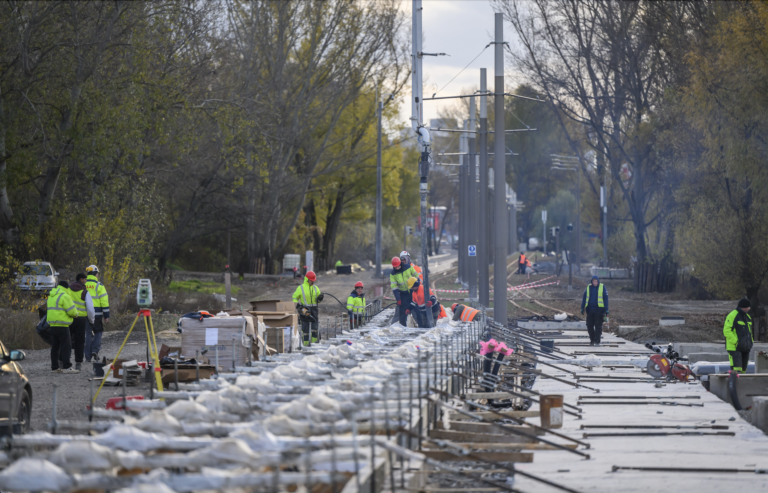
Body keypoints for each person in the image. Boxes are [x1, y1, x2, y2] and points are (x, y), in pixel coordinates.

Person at [47, 281, 79, 373]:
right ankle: (67, 366)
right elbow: (71, 311)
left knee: (55, 347)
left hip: (52, 325)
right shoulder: (65, 296)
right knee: (66, 346)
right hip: (63, 325)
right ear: (67, 288)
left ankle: (54, 367)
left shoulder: (51, 296)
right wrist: (76, 314)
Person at [68, 273, 95, 370]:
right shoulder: (84, 291)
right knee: (80, 341)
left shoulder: (68, 289)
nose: (86, 281)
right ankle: (78, 362)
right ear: (81, 279)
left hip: (69, 318)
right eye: (85, 279)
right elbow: (90, 309)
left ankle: (62, 361)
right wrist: (92, 320)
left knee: (67, 341)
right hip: (81, 320)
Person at [85, 265, 110, 362]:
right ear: (96, 274)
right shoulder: (99, 286)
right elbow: (104, 301)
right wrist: (106, 315)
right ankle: (95, 350)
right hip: (98, 314)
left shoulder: (83, 285)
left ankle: (87, 357)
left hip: (85, 314)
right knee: (98, 332)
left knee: (87, 333)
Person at [292, 270, 323, 345]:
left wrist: (320, 298)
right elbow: (294, 298)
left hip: (314, 311)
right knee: (305, 330)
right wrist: (298, 306)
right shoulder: (301, 288)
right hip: (304, 310)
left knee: (315, 329)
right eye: (311, 280)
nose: (313, 282)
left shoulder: (316, 288)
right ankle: (305, 346)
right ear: (307, 279)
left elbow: (318, 301)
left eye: (313, 280)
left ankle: (315, 345)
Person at [724, 298, 754, 373]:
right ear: (744, 307)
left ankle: (741, 384)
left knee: (743, 370)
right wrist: (736, 342)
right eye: (748, 307)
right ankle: (735, 384)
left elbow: (749, 332)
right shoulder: (732, 315)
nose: (749, 308)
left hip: (745, 348)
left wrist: (751, 342)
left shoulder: (747, 317)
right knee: (736, 370)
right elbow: (726, 331)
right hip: (735, 348)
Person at [581, 275, 609, 346]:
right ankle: (592, 339)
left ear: (598, 281)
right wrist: (582, 307)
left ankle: (597, 340)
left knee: (598, 326)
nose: (595, 283)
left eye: (596, 281)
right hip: (590, 310)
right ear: (592, 282)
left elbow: (605, 299)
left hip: (599, 310)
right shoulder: (588, 287)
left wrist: (606, 309)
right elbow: (584, 298)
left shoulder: (602, 287)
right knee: (589, 325)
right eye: (593, 281)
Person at [390, 256, 417, 326]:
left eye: (398, 266)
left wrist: (417, 286)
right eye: (395, 267)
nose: (397, 268)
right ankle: (403, 326)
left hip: (412, 291)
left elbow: (416, 276)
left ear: (400, 263)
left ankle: (419, 324)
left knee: (416, 309)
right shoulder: (393, 274)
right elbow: (394, 287)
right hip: (403, 294)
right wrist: (398, 299)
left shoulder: (408, 267)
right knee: (402, 312)